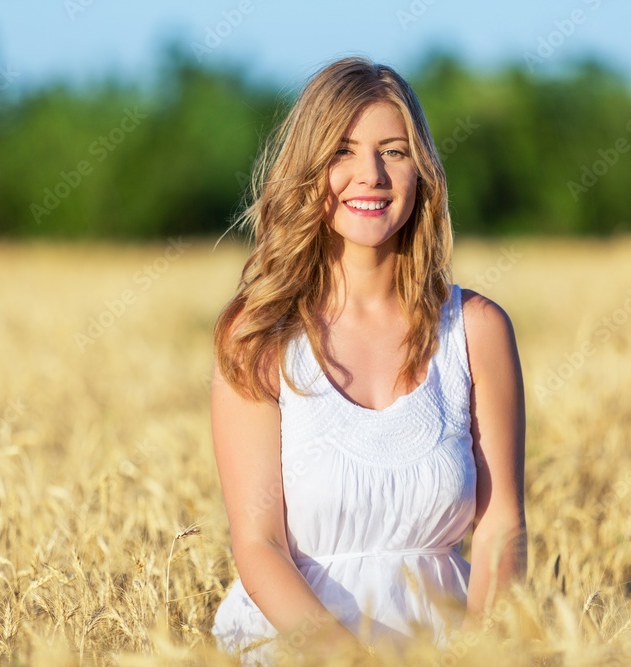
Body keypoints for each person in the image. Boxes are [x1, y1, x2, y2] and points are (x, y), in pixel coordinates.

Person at [209, 56, 527, 664]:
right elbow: (259, 546)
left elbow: (500, 528)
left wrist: (479, 657)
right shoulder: (259, 338)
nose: (371, 175)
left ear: (422, 171)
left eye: (394, 151)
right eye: (342, 152)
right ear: (308, 173)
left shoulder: (478, 330)